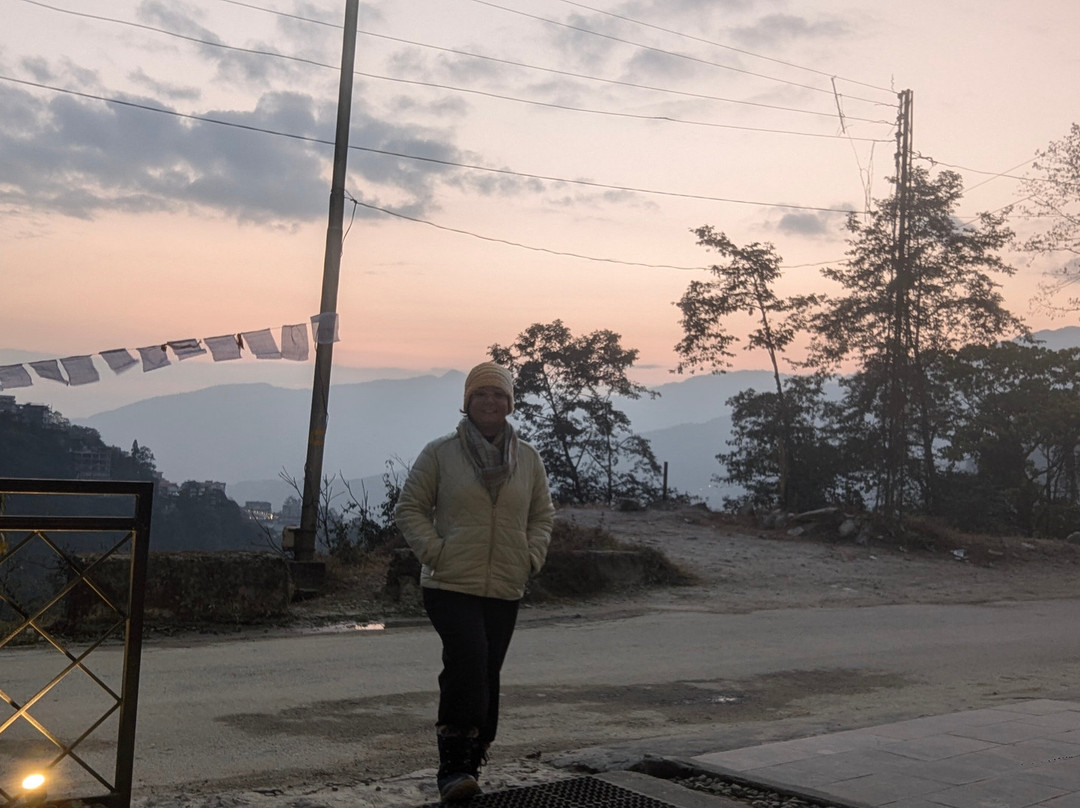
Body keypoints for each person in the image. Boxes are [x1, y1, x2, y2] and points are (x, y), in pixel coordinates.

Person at [395, 361, 555, 802]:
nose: (490, 402)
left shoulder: (528, 459)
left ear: (510, 403)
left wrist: (531, 555)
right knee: (468, 659)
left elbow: (542, 514)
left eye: (499, 395)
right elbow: (409, 508)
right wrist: (436, 551)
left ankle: (476, 752)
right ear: (467, 402)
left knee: (487, 670)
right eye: (481, 394)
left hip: (505, 582)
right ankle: (453, 767)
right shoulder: (441, 453)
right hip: (449, 582)